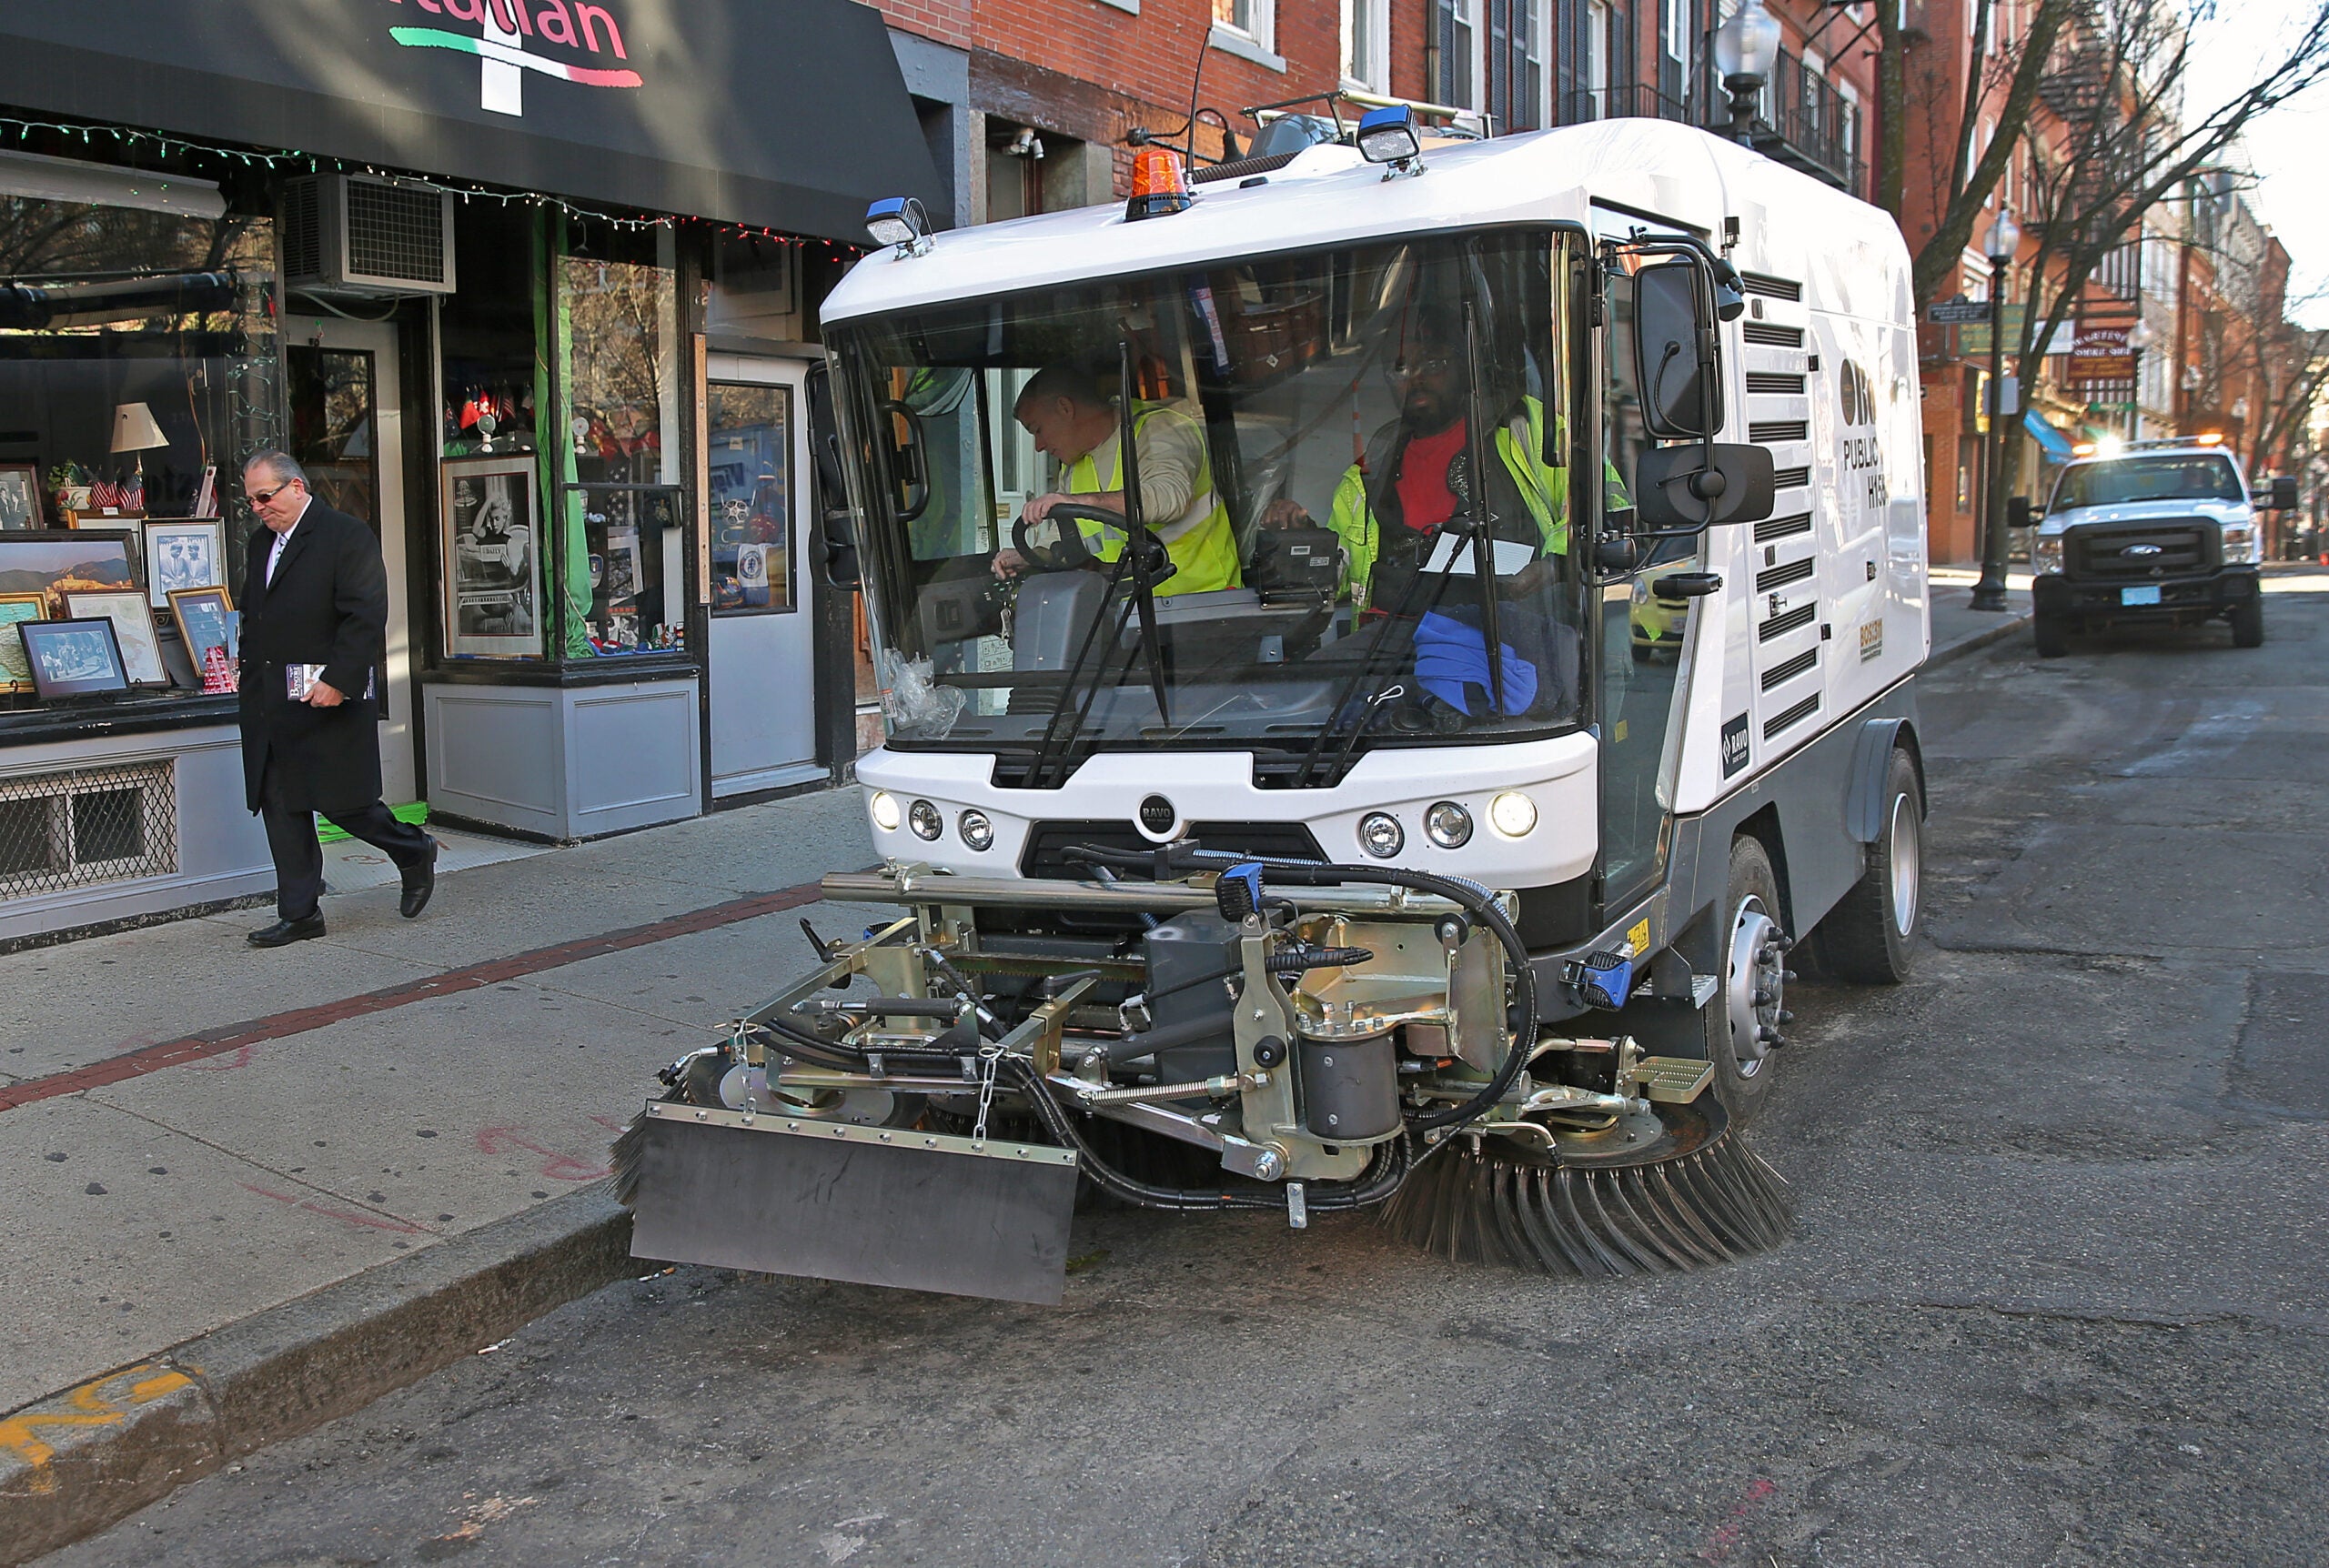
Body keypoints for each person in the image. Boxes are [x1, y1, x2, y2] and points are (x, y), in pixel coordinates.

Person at [236, 450, 438, 947]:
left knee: (344, 802)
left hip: (328, 696)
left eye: (265, 497)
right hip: (271, 700)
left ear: (297, 488)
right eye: (251, 501)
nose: (259, 508)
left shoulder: (346, 535)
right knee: (281, 805)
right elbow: (256, 617)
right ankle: (300, 913)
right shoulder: (260, 544)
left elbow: (366, 614)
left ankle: (412, 850)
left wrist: (340, 679)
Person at [991, 364, 1239, 597]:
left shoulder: (1158, 429)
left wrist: (1079, 501)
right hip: (1133, 608)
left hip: (1207, 603)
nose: (1038, 446)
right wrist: (1033, 555)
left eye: (1037, 430)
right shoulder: (1074, 469)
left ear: (1065, 408)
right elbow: (1066, 535)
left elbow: (1169, 497)